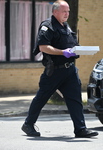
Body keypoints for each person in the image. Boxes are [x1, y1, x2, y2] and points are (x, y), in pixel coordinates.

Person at [21, 0, 98, 138]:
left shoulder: (66, 27)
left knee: (75, 99)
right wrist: (63, 52)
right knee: (42, 97)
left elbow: (72, 44)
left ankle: (80, 129)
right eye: (64, 11)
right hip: (54, 71)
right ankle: (28, 124)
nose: (67, 14)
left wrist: (79, 50)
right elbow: (43, 47)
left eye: (68, 11)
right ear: (55, 12)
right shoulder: (47, 26)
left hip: (70, 71)